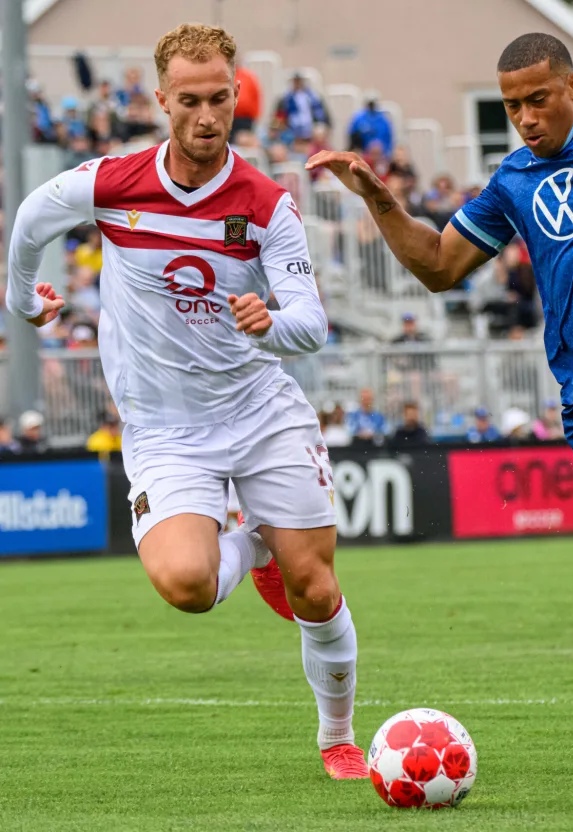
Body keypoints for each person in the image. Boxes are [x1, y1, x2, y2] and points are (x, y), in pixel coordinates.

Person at [6, 23, 366, 780]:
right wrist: (21, 298)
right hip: (167, 430)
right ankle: (257, 542)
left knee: (317, 586)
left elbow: (311, 323)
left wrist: (272, 326)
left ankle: (338, 739)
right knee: (186, 586)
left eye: (221, 99)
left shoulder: (267, 204)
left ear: (238, 95)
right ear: (161, 100)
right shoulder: (112, 182)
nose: (208, 116)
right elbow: (34, 215)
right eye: (191, 101)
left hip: (261, 413)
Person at [308, 31, 573, 596]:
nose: (524, 118)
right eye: (511, 106)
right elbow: (437, 266)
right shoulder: (512, 183)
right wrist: (377, 198)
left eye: (538, 99)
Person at [232, 64, 262, 141]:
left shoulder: (248, 77)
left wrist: (255, 116)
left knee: (244, 140)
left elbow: (256, 95)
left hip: (245, 119)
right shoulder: (227, 75)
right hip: (230, 116)